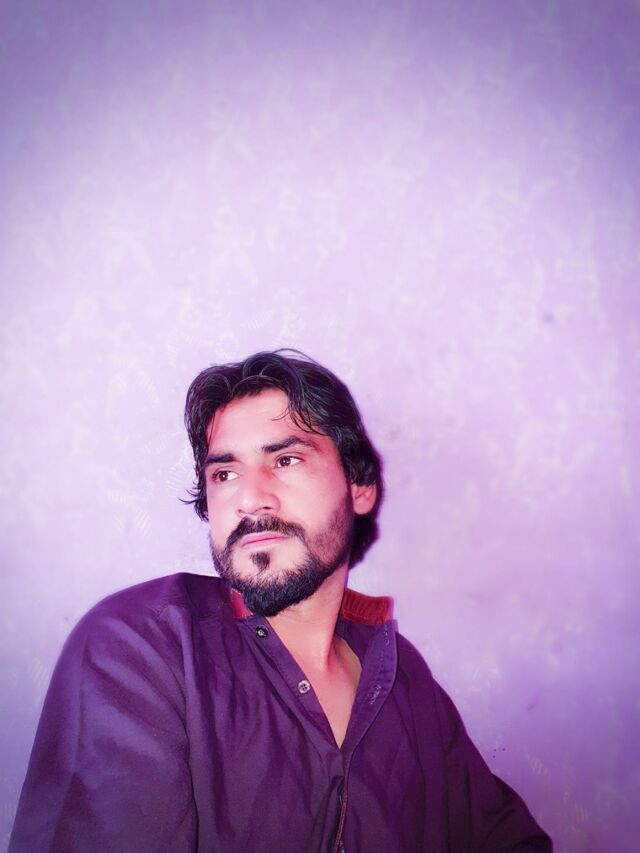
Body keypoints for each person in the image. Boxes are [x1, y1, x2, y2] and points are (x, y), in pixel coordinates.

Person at [10, 350, 552, 852]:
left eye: (287, 460)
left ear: (359, 487)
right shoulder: (141, 643)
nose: (250, 498)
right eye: (225, 473)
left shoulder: (402, 676)